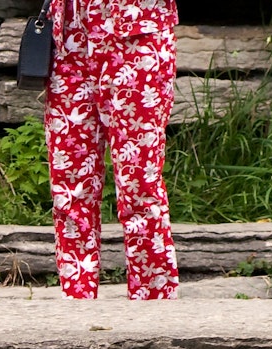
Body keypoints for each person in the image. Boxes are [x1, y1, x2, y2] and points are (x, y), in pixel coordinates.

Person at [44, 0, 180, 300]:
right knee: (70, 188)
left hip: (137, 37)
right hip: (69, 40)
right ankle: (76, 305)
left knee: (138, 185)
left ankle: (154, 308)